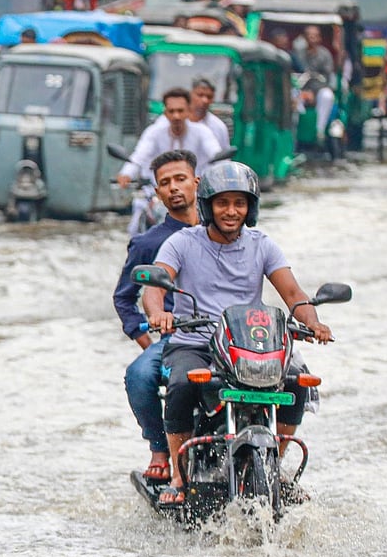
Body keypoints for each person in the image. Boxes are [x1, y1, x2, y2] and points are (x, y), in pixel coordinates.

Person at [142, 162, 333, 504]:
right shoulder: (181, 242)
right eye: (223, 203)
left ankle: (275, 465)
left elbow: (293, 294)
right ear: (208, 206)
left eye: (239, 203)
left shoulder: (263, 245)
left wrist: (313, 322)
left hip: (249, 343)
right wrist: (159, 313)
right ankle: (179, 475)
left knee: (296, 381)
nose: (231, 211)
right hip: (196, 342)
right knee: (182, 384)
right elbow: (154, 287)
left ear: (251, 207)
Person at [113, 149, 201, 483]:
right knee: (139, 375)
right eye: (165, 183)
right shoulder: (147, 243)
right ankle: (159, 447)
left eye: (181, 179)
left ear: (197, 182)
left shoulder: (222, 231)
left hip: (226, 335)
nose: (174, 187)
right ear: (157, 192)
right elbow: (124, 298)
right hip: (174, 338)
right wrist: (148, 341)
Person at [117, 88, 223, 188]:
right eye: (171, 111)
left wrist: (224, 172)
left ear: (188, 111)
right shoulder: (154, 132)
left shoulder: (202, 131)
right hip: (158, 191)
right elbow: (139, 156)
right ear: (165, 113)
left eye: (180, 111)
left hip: (194, 190)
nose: (176, 116)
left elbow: (216, 154)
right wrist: (127, 174)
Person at [296, 26, 337, 144]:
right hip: (301, 89)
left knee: (327, 96)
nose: (312, 38)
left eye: (315, 36)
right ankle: (296, 130)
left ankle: (319, 131)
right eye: (309, 35)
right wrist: (305, 92)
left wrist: (314, 92)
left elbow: (327, 77)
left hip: (319, 89)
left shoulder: (325, 54)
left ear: (319, 38)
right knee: (292, 96)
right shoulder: (298, 54)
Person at [188, 77, 230, 151]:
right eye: (200, 95)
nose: (205, 100)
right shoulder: (178, 122)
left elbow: (224, 154)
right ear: (190, 95)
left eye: (209, 97)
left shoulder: (219, 127)